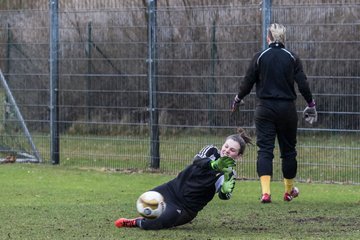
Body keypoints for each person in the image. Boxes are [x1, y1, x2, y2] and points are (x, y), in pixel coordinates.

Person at [231, 23, 317, 203]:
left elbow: (247, 82)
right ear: (284, 38)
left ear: (268, 38)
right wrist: (311, 104)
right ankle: (288, 191)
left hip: (265, 110)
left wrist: (238, 99)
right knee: (289, 152)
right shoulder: (292, 58)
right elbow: (303, 84)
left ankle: (266, 193)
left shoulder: (260, 57)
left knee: (265, 150)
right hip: (287, 110)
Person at [114, 128, 252, 230]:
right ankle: (152, 216)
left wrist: (225, 189)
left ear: (238, 156)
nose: (227, 150)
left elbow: (224, 195)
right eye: (226, 146)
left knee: (153, 224)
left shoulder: (229, 174)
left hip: (186, 208)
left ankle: (134, 222)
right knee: (145, 200)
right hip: (172, 189)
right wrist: (214, 165)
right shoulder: (211, 151)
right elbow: (197, 161)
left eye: (232, 150)